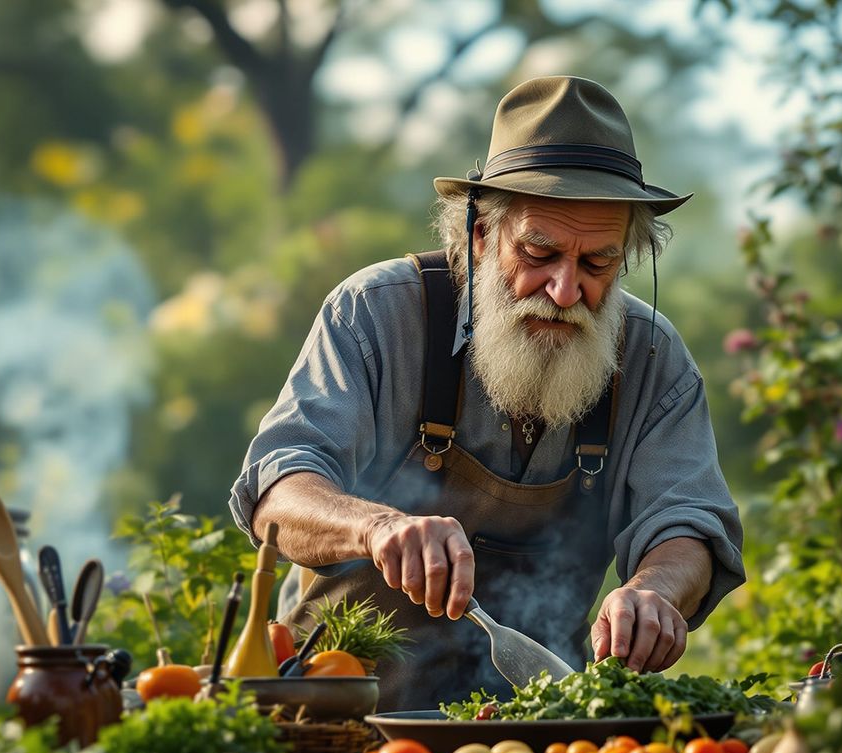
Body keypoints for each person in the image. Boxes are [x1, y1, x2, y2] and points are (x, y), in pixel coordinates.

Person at [229, 75, 744, 711]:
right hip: (336, 719)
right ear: (479, 235)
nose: (564, 291)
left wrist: (658, 591)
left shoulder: (652, 357)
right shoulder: (377, 315)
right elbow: (278, 494)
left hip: (541, 733)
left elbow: (689, 522)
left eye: (597, 264)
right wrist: (378, 527)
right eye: (539, 252)